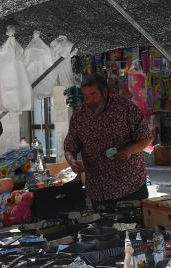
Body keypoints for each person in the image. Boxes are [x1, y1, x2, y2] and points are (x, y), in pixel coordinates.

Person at [63, 74, 152, 210]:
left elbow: (146, 137)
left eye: (93, 94)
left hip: (129, 188)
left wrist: (128, 151)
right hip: (98, 193)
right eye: (85, 96)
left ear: (105, 92)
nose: (89, 100)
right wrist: (72, 162)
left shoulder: (125, 107)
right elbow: (69, 146)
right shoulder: (79, 115)